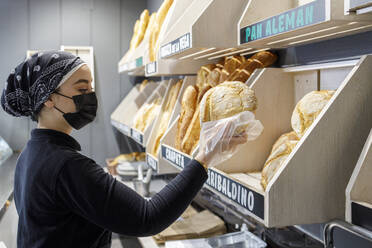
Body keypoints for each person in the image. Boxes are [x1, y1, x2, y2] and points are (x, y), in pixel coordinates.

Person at [1, 51, 247, 248]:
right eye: (81, 89)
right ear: (48, 98)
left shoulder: (30, 153)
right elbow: (147, 217)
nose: (91, 96)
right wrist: (205, 156)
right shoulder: (66, 166)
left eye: (91, 88)